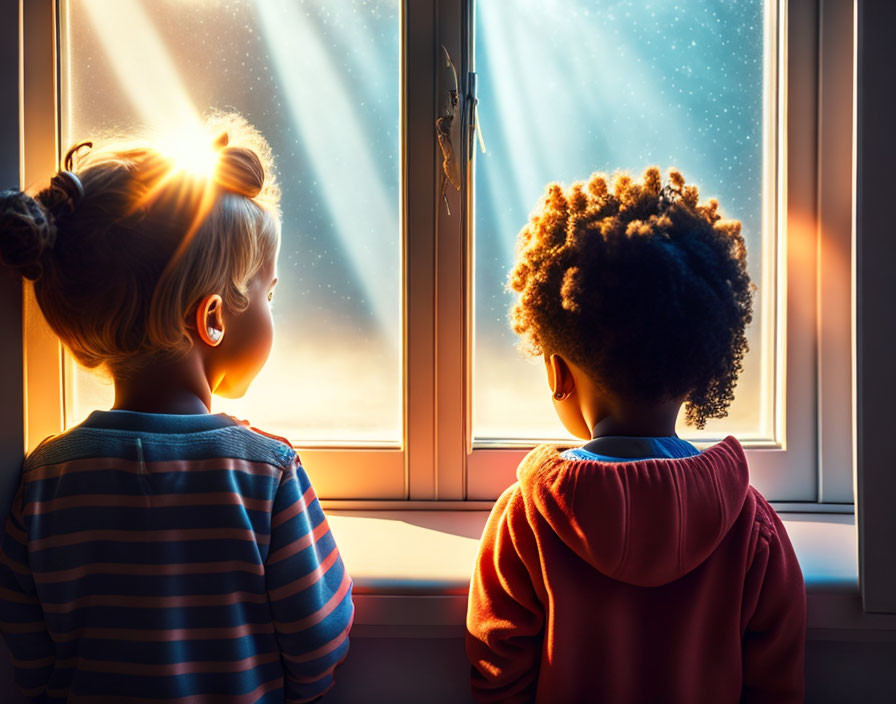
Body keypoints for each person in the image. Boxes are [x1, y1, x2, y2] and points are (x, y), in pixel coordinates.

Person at [0, 114, 352, 703]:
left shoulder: (45, 479)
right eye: (268, 291)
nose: (271, 309)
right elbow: (320, 638)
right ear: (213, 318)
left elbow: (29, 653)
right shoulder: (265, 473)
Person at [466, 168, 805, 703]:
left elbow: (497, 677)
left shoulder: (527, 520)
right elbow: (777, 687)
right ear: (699, 371)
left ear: (557, 372)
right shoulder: (752, 526)